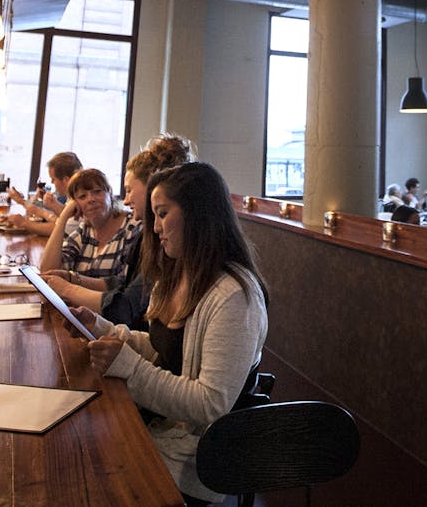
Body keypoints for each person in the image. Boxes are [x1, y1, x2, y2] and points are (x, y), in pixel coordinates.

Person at [76, 162, 268, 504]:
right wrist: (99, 327)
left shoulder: (234, 297)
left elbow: (210, 403)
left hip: (192, 459)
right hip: (159, 426)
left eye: (162, 214)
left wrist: (128, 367)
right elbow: (165, 351)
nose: (155, 228)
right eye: (153, 216)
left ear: (198, 214)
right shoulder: (178, 275)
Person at [104, 133, 194, 332]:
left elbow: (126, 308)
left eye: (129, 190)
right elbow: (122, 283)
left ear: (152, 186)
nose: (125, 201)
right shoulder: (146, 235)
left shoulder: (169, 245)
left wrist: (68, 289)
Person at [40, 168, 139, 310]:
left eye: (97, 192)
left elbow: (122, 286)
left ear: (110, 194)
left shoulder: (132, 228)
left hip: (112, 320)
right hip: (79, 315)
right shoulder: (84, 232)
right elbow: (48, 272)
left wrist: (72, 281)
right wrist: (63, 218)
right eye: (82, 196)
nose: (91, 199)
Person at [6, 151, 83, 237]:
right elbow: (37, 208)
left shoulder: (79, 198)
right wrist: (21, 201)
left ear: (66, 180)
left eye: (53, 179)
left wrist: (24, 223)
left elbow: (61, 229)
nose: (51, 182)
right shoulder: (69, 195)